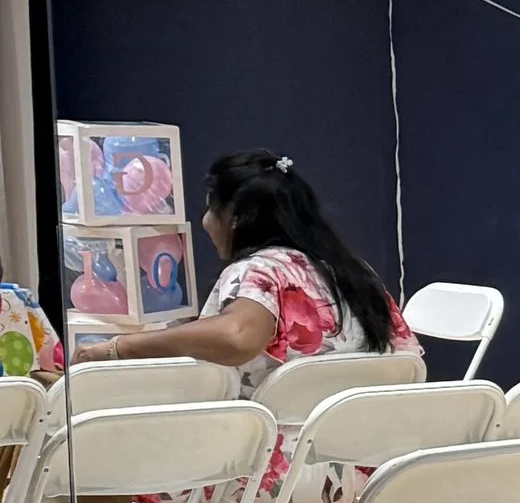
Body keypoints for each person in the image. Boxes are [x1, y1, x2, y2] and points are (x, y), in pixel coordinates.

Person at [84, 148, 412, 397]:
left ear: (235, 217)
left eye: (211, 209)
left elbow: (237, 336)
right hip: (362, 464)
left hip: (276, 469)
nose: (206, 223)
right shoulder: (353, 272)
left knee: (92, 463)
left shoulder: (261, 271)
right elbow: (407, 363)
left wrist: (120, 347)